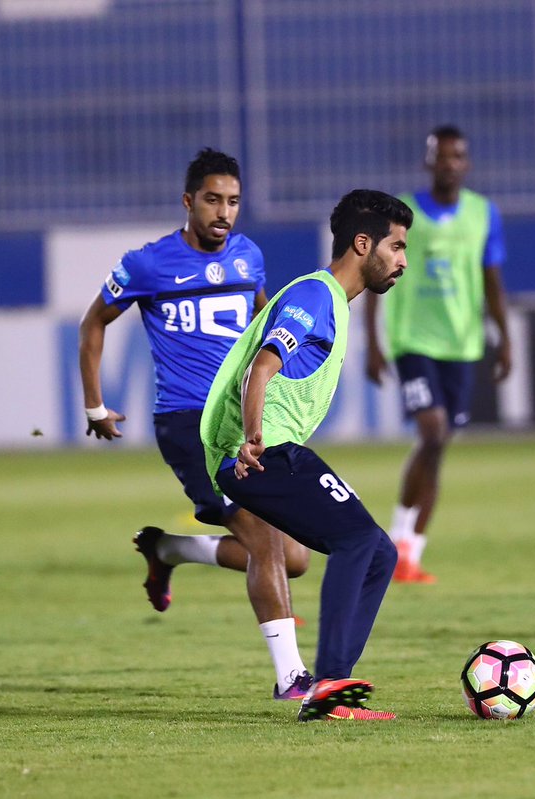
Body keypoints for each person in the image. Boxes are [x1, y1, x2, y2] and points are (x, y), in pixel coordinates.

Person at [78, 148, 314, 701]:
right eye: (212, 200)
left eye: (233, 201)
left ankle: (169, 551)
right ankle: (291, 678)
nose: (223, 212)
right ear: (188, 202)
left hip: (240, 419)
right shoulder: (147, 263)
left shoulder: (249, 256)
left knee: (294, 557)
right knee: (263, 541)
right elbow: (94, 322)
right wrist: (95, 406)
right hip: (189, 424)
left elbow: (261, 322)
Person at [201, 189, 412, 721]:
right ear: (363, 244)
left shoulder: (331, 302)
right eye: (397, 246)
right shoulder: (316, 297)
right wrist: (252, 439)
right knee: (357, 540)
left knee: (379, 552)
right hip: (259, 452)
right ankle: (329, 686)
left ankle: (328, 689)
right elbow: (262, 368)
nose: (403, 262)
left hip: (262, 451)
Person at [364, 125, 512, 584]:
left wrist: (504, 337)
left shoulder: (483, 214)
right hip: (414, 342)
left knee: (438, 445)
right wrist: (372, 340)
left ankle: (409, 551)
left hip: (463, 345)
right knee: (432, 430)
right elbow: (375, 271)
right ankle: (396, 536)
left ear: (466, 163)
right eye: (440, 156)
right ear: (428, 161)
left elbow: (490, 279)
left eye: (457, 156)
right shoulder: (403, 216)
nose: (448, 163)